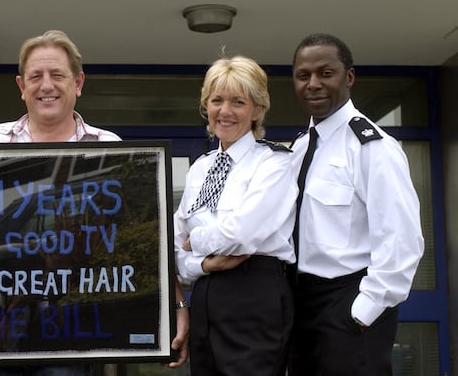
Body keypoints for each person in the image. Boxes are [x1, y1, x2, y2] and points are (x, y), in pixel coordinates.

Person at [0, 29, 190, 369]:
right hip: (3, 340)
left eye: (58, 75)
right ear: (21, 86)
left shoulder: (108, 145)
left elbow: (149, 235)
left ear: (78, 82)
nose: (46, 86)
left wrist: (173, 308)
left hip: (74, 328)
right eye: (35, 77)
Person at [287, 34, 425, 376]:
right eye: (303, 76)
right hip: (300, 307)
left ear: (348, 77)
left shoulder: (373, 147)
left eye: (325, 73)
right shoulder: (299, 149)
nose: (313, 84)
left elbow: (401, 240)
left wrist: (362, 312)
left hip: (347, 303)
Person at [173, 55, 297, 376]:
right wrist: (203, 263)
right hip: (205, 298)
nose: (225, 111)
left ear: (258, 110)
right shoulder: (200, 169)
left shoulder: (274, 163)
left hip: (254, 295)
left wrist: (195, 240)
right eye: (217, 100)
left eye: (238, 102)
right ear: (206, 106)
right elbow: (175, 251)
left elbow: (240, 235)